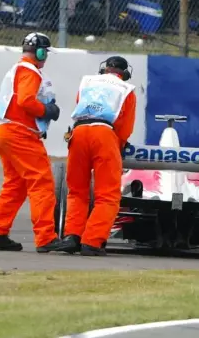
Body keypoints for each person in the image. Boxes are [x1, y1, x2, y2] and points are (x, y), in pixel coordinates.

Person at [0, 33, 65, 253]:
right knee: (42, 183)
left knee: (15, 185)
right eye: (45, 53)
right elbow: (26, 101)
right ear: (40, 53)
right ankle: (46, 238)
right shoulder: (30, 71)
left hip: (5, 131)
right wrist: (46, 110)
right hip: (20, 134)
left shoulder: (16, 70)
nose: (45, 57)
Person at [57, 56, 137, 256]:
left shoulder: (87, 81)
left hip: (79, 132)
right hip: (105, 134)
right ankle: (92, 241)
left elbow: (79, 104)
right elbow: (125, 127)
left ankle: (71, 236)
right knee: (107, 195)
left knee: (76, 191)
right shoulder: (126, 90)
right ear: (124, 73)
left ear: (104, 69)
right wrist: (117, 146)